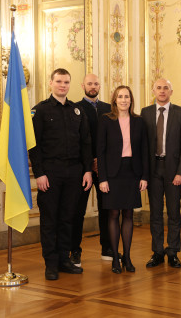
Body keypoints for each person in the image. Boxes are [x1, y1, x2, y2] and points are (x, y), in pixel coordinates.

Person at [29, 68, 93, 281]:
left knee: (68, 218)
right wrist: (39, 174)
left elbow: (86, 144)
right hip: (50, 173)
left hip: (74, 172)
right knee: (50, 220)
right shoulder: (40, 111)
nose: (62, 85)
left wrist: (87, 171)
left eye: (66, 82)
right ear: (51, 83)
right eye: (58, 81)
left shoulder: (77, 111)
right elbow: (34, 146)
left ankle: (65, 259)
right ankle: (51, 263)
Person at [97, 85, 149, 274]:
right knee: (113, 214)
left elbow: (144, 150)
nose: (124, 100)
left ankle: (127, 257)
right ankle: (115, 259)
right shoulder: (105, 120)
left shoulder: (139, 121)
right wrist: (102, 178)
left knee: (128, 214)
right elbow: (100, 151)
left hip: (132, 173)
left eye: (127, 96)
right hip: (112, 174)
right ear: (114, 100)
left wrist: (144, 176)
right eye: (120, 96)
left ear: (131, 100)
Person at [141, 78, 181, 268]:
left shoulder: (180, 112)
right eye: (159, 88)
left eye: (166, 88)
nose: (162, 91)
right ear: (153, 90)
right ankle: (157, 252)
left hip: (173, 171)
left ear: (171, 91)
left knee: (174, 213)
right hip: (153, 169)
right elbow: (141, 145)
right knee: (155, 213)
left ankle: (173, 252)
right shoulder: (145, 113)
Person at [70, 74, 113, 267]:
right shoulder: (75, 108)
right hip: (83, 168)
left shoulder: (108, 109)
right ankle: (75, 251)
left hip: (105, 168)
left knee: (107, 209)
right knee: (77, 210)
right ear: (83, 85)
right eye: (89, 83)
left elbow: (114, 139)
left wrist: (102, 161)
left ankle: (108, 248)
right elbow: (76, 139)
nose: (93, 86)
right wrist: (90, 162)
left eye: (96, 83)